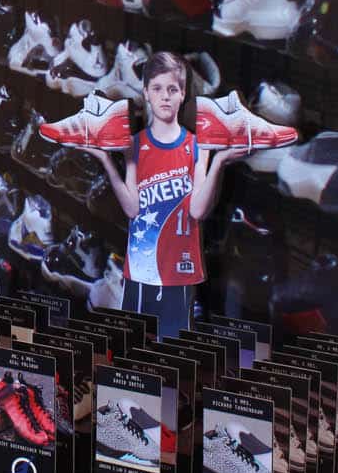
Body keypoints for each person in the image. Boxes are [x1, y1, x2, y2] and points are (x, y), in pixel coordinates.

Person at [78, 52, 245, 337]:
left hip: (180, 269)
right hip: (142, 266)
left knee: (173, 350)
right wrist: (106, 162)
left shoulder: (196, 146)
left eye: (173, 90)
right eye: (156, 89)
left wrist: (216, 161)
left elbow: (198, 211)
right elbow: (131, 209)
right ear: (145, 93)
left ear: (183, 95)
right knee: (137, 346)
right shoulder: (134, 144)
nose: (165, 97)